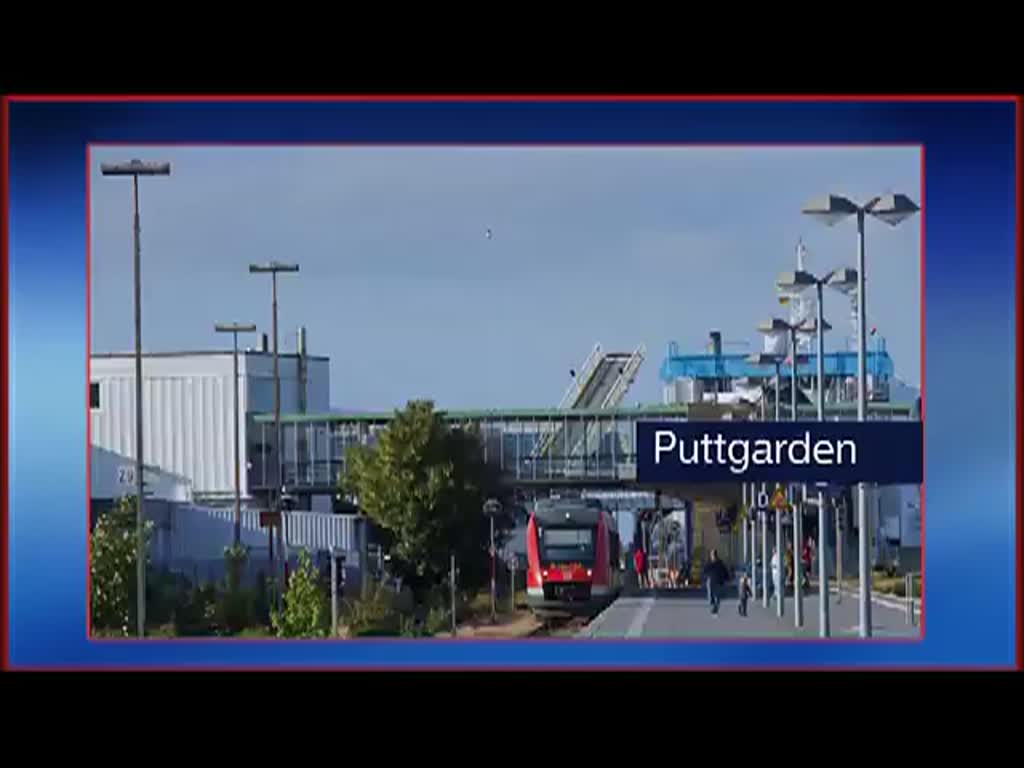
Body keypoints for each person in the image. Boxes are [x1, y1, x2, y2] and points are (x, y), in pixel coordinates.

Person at [703, 549, 729, 615]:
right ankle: (714, 606)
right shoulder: (711, 563)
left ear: (715, 555)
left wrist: (727, 578)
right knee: (713, 596)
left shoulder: (719, 563)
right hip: (713, 581)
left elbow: (724, 571)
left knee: (716, 596)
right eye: (712, 554)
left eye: (713, 554)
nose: (712, 556)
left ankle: (715, 607)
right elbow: (705, 570)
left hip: (717, 581)